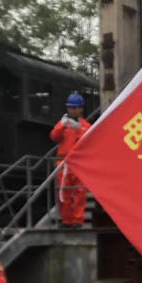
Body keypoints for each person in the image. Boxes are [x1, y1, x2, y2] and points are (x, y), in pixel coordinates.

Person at [49, 92, 91, 228]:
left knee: (79, 192)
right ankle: (66, 220)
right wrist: (61, 126)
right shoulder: (62, 124)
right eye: (70, 108)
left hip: (79, 163)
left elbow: (89, 141)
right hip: (63, 162)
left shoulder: (86, 126)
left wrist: (78, 129)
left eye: (74, 108)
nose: (72, 110)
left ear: (81, 109)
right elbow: (54, 137)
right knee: (63, 192)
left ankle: (78, 220)